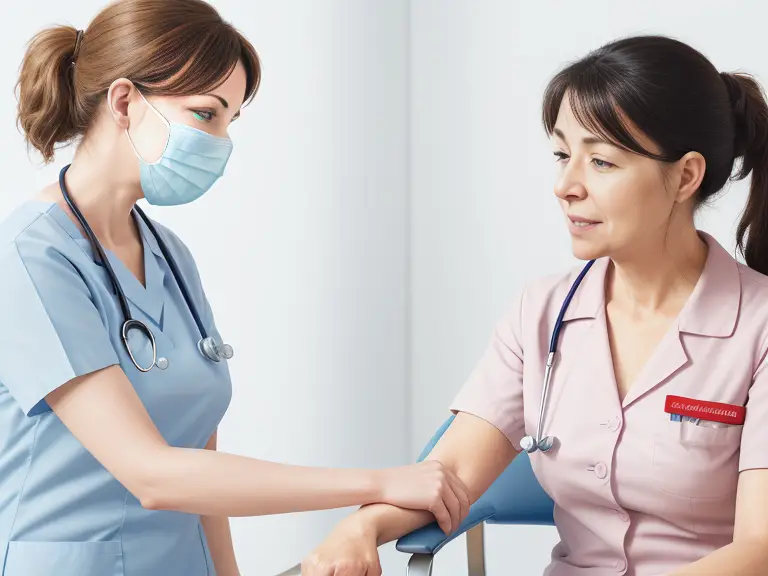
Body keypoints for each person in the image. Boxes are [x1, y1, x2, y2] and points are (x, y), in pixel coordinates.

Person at [0, 1, 471, 575]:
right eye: (206, 114)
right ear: (124, 102)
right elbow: (151, 473)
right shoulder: (30, 256)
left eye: (229, 121)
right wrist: (378, 481)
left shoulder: (169, 255)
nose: (221, 143)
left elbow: (202, 457)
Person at [302, 34, 768, 576]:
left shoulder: (757, 328)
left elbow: (759, 548)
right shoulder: (541, 311)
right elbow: (448, 473)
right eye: (562, 155)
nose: (565, 186)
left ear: (685, 176)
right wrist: (360, 528)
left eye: (602, 162)